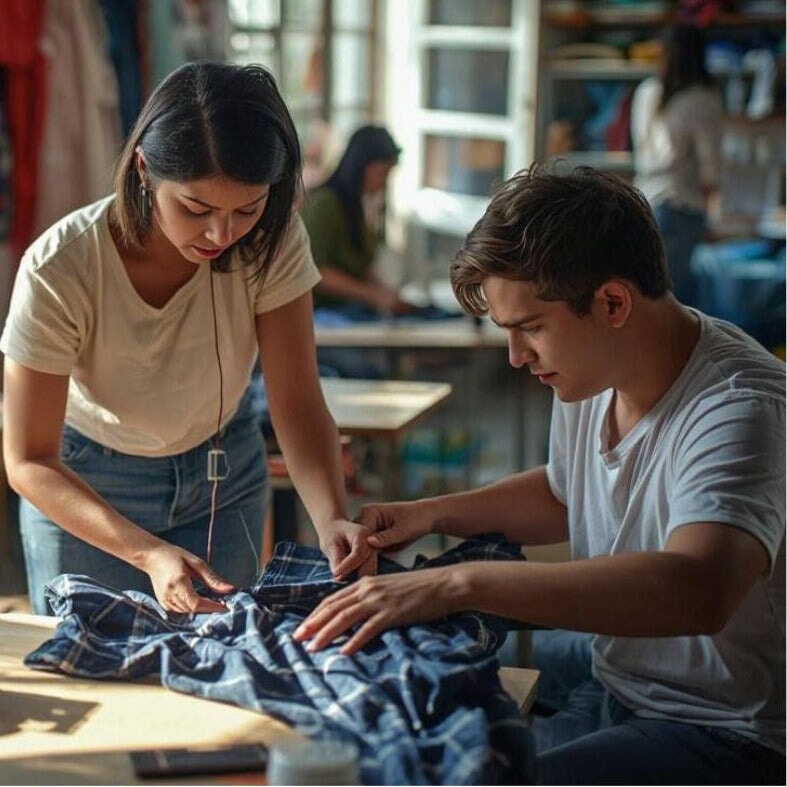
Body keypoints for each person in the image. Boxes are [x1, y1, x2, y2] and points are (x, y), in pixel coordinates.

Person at [293, 164, 786, 785]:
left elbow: (698, 589)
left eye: (529, 329)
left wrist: (456, 583)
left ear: (612, 302)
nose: (516, 357)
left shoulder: (740, 406)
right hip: (622, 674)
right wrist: (430, 514)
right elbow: (563, 492)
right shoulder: (592, 372)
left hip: (726, 729)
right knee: (413, 669)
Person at [0, 62, 376, 617]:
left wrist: (331, 520)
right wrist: (148, 553)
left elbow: (295, 403)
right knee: (99, 683)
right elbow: (29, 459)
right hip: (89, 487)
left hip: (222, 473)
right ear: (145, 170)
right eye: (196, 209)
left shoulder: (273, 239)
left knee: (225, 671)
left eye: (247, 208)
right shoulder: (62, 266)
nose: (222, 235)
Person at [631, 23, 723, 308]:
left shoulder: (647, 92)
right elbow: (710, 165)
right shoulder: (703, 98)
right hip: (683, 206)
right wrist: (712, 212)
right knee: (680, 303)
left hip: (646, 202)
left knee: (649, 296)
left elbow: (641, 151)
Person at [300, 124, 415, 320]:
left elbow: (360, 266)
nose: (384, 182)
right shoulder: (325, 203)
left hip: (351, 311)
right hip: (321, 317)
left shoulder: (359, 208)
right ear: (362, 166)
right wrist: (371, 295)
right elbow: (313, 270)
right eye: (382, 173)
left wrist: (387, 293)